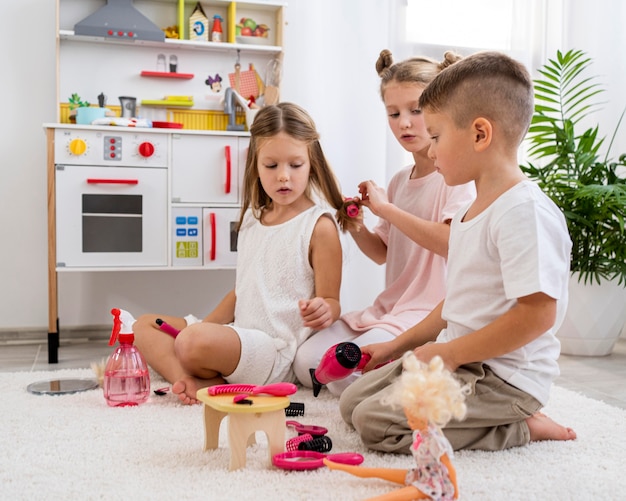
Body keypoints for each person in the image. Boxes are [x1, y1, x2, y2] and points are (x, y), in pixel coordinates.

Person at [339, 51, 578, 452]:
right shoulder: (470, 210)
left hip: (502, 376)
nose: (430, 151)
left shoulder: (524, 213)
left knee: (375, 425)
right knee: (351, 403)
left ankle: (520, 425)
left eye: (436, 136)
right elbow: (458, 303)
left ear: (480, 134)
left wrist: (450, 353)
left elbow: (538, 313)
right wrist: (396, 347)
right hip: (462, 356)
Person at [133, 102, 358, 405]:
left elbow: (332, 301)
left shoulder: (318, 226)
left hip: (273, 353)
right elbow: (242, 292)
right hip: (238, 337)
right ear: (255, 165)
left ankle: (200, 375)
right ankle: (191, 380)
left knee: (190, 341)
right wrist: (206, 325)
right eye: (271, 165)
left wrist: (324, 309)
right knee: (143, 326)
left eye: (295, 165)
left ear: (311, 164)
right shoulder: (254, 219)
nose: (283, 176)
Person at [293, 50, 475, 396]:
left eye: (416, 110)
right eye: (394, 113)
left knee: (347, 374)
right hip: (389, 309)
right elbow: (383, 253)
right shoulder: (399, 180)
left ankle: (421, 376)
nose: (404, 122)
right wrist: (359, 222)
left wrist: (387, 210)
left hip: (425, 315)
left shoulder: (457, 178)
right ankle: (398, 378)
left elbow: (451, 242)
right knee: (308, 363)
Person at [325, 353, 468, 501]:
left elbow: (449, 468)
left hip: (433, 484)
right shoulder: (420, 434)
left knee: (393, 496)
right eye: (409, 418)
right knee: (377, 472)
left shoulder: (436, 441)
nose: (410, 423)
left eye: (414, 420)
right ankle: (338, 467)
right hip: (421, 473)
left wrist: (454, 492)